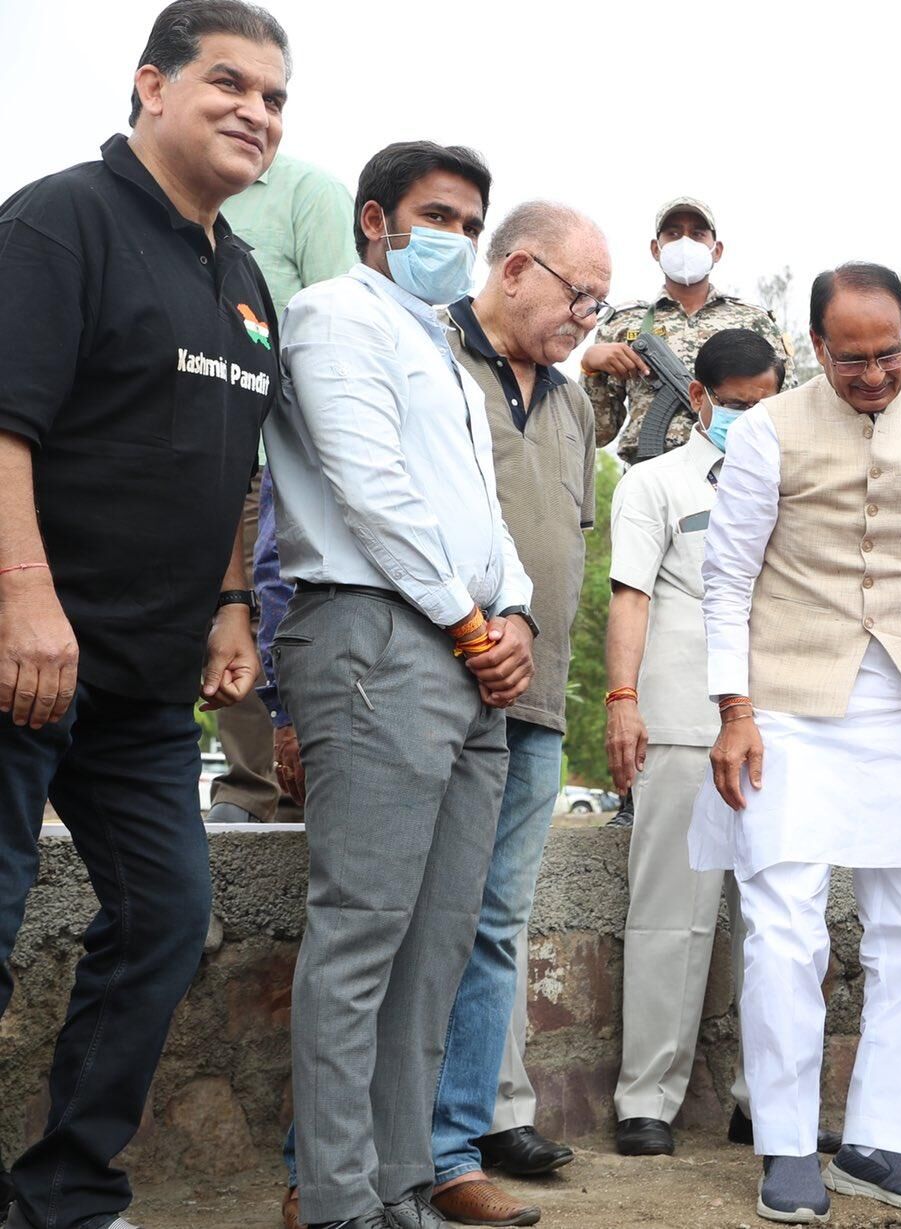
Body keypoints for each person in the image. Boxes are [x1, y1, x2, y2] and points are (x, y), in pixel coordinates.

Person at [0, 4, 287, 1227]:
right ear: (152, 86)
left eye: (274, 99)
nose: (256, 113)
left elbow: (229, 463)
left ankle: (67, 1192)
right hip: (20, 657)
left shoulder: (245, 278)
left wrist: (230, 601)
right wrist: (23, 595)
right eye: (230, 83)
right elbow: (5, 421)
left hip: (142, 682)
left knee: (167, 920)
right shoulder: (60, 221)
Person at [691, 262, 901, 1222]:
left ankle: (879, 1142)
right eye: (853, 360)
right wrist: (733, 707)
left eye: (890, 354)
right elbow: (727, 578)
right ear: (816, 347)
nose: (875, 374)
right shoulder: (767, 431)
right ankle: (787, 1144)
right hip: (784, 699)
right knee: (785, 926)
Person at [267, 140, 538, 1229]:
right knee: (361, 931)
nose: (455, 240)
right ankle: (337, 1197)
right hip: (379, 635)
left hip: (467, 654)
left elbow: (484, 518)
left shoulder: (444, 355)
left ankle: (400, 1183)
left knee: (435, 945)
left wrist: (515, 614)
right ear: (375, 219)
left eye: (470, 223)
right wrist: (471, 622)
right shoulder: (333, 315)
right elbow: (369, 489)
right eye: (436, 216)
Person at [428, 202, 608, 1225]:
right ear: (515, 268)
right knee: (419, 918)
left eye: (598, 303)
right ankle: (382, 1146)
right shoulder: (430, 357)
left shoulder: (574, 405)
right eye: (578, 295)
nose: (588, 318)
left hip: (536, 702)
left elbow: (565, 541)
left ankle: (458, 1147)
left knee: (498, 923)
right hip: (445, 681)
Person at [604, 329, 825, 1159]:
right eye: (734, 404)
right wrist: (623, 701)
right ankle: (646, 1100)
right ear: (697, 399)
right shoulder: (654, 484)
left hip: (783, 723)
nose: (750, 417)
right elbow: (630, 599)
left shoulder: (803, 485)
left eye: (765, 401)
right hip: (683, 723)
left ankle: (766, 1104)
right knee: (672, 917)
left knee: (783, 923)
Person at [208, 151, 352, 826]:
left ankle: (301, 786)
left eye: (272, 101)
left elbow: (340, 324)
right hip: (203, 453)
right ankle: (247, 787)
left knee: (278, 611)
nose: (254, 114)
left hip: (281, 456)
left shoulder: (309, 193)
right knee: (220, 617)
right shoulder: (176, 200)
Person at [581, 195, 793, 463]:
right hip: (648, 471)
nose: (685, 242)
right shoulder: (623, 323)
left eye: (697, 234)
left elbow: (786, 412)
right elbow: (597, 434)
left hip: (735, 470)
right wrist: (590, 369)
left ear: (716, 250)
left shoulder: (754, 321)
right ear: (656, 249)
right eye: (673, 233)